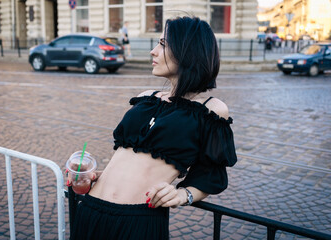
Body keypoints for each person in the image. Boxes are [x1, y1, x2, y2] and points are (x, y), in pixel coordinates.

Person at [69, 16, 237, 240]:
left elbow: (211, 174)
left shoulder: (211, 109)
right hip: (90, 208)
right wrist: (93, 176)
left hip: (137, 221)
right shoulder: (145, 98)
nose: (153, 51)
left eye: (163, 44)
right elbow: (127, 160)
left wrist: (183, 194)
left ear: (188, 51)